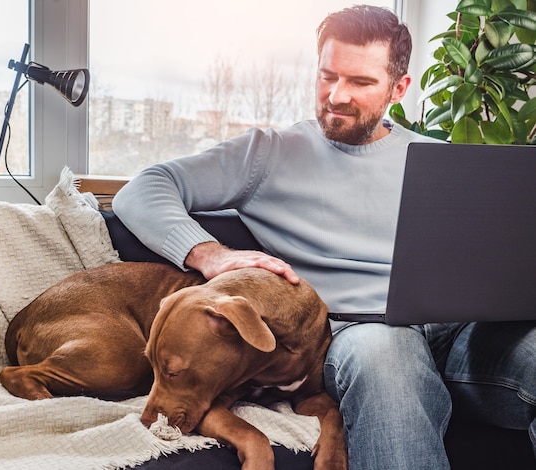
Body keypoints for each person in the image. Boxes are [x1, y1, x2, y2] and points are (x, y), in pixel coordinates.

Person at [113, 5, 536, 469]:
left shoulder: (447, 161)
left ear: (399, 89)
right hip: (358, 337)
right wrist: (209, 255)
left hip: (462, 336)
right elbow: (142, 189)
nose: (336, 95)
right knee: (385, 355)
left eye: (360, 82)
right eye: (327, 75)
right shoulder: (268, 153)